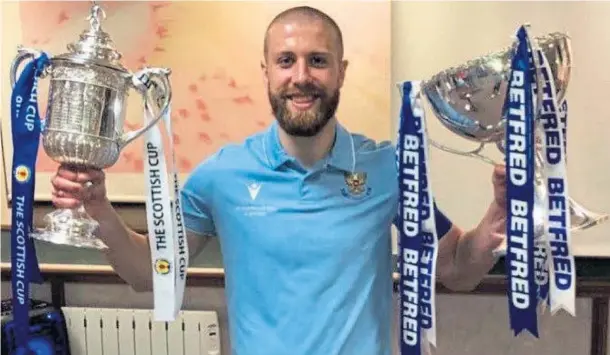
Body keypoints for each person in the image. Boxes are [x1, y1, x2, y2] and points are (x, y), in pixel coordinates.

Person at [51, 6, 506, 355]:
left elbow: (455, 269)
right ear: (267, 71)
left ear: (341, 72)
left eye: (318, 60)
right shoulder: (221, 176)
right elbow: (151, 274)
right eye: (286, 60)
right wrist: (100, 213)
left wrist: (498, 214)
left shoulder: (389, 168)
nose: (301, 76)